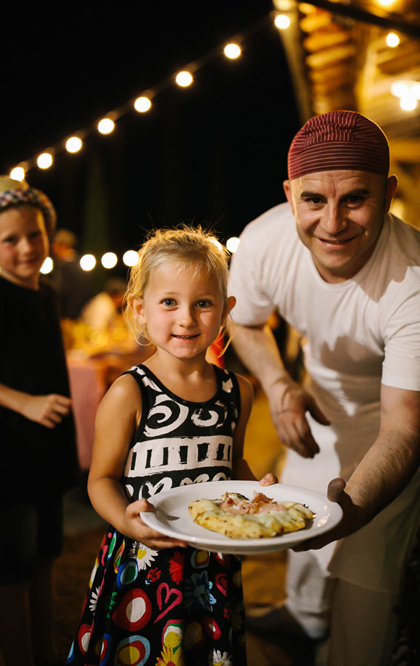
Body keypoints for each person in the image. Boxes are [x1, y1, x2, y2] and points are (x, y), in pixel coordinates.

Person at [228, 110, 420, 665]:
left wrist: (356, 512)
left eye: (355, 199)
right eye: (314, 200)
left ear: (388, 193)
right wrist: (279, 383)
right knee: (302, 518)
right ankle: (303, 618)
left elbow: (405, 428)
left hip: (397, 413)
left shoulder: (411, 281)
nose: (332, 223)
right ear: (290, 194)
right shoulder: (263, 242)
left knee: (367, 561)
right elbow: (244, 320)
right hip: (320, 398)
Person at [68, 225, 277, 665]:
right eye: (169, 302)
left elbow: (232, 462)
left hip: (213, 562)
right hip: (144, 563)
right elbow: (101, 479)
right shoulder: (129, 392)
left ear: (225, 311)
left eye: (203, 303)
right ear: (139, 310)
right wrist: (127, 522)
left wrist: (260, 495)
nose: (186, 318)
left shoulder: (239, 390)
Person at [0, 176, 79, 666]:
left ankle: (49, 651)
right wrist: (25, 403)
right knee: (13, 569)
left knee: (47, 557)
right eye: (10, 239)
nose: (26, 248)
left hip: (48, 451)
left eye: (34, 235)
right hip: (8, 453)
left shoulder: (48, 295)